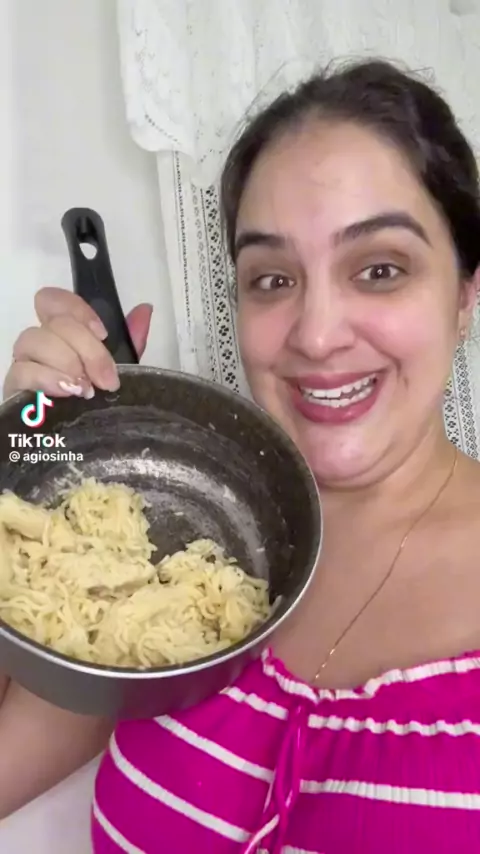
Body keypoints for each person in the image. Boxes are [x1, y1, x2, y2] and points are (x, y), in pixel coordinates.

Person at [2, 57, 480, 853]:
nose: (316, 335)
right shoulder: (187, 556)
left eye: (380, 269)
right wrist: (27, 449)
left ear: (464, 293)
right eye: (272, 279)